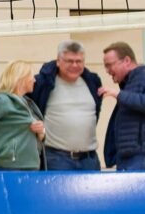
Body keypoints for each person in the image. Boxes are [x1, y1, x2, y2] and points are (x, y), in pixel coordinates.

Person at [27, 41, 106, 171]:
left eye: (79, 61)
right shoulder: (43, 83)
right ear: (58, 61)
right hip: (56, 159)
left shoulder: (93, 82)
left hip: (89, 159)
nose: (74, 65)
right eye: (69, 61)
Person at [97, 43, 145, 172]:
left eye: (109, 65)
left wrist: (119, 94)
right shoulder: (129, 86)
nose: (107, 70)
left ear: (127, 61)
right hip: (131, 160)